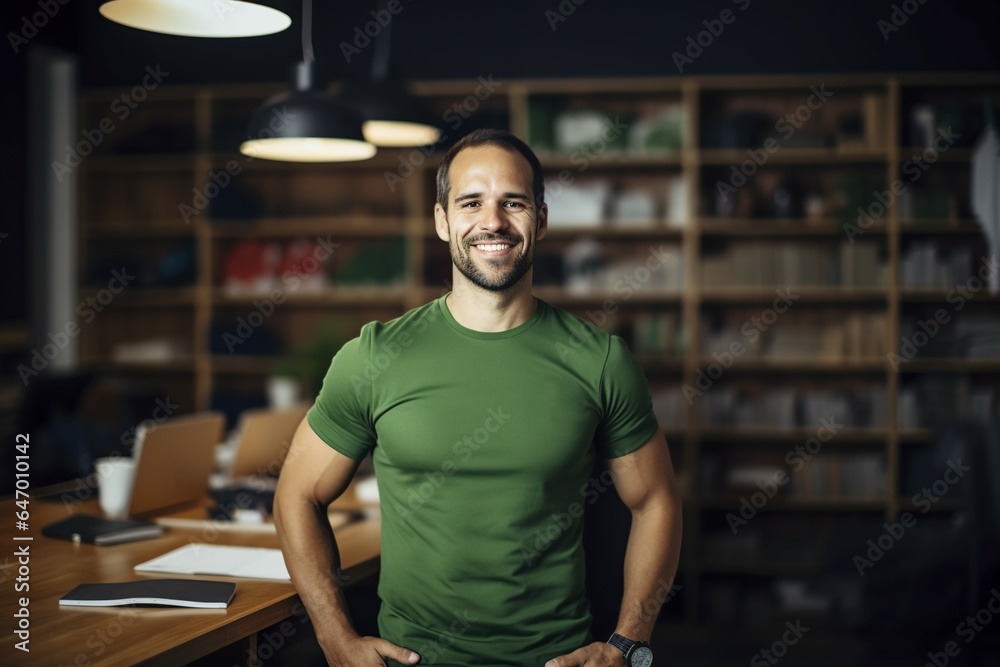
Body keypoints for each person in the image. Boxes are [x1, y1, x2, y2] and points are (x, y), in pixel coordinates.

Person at [274, 129, 682, 667]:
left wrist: (629, 643)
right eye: (471, 203)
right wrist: (334, 638)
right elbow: (296, 495)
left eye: (513, 203)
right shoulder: (375, 356)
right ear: (442, 220)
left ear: (540, 219)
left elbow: (656, 501)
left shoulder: (601, 360)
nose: (493, 222)